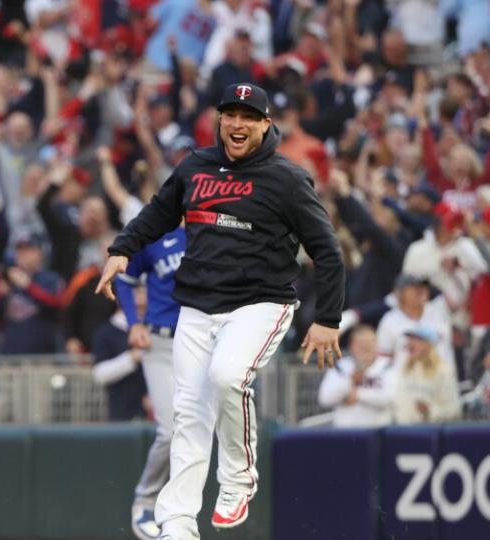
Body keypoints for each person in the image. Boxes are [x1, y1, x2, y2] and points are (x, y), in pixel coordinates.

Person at [96, 83, 345, 539]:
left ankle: (237, 482)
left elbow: (327, 251)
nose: (237, 124)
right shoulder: (196, 165)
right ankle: (177, 521)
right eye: (230, 114)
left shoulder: (287, 178)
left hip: (261, 303)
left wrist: (327, 319)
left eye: (248, 117)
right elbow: (159, 212)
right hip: (197, 305)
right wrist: (122, 249)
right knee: (187, 414)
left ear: (266, 124)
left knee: (228, 377)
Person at [113, 221, 187, 540]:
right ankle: (146, 499)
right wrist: (133, 322)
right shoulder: (159, 234)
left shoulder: (219, 230)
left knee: (202, 429)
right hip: (161, 343)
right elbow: (124, 278)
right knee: (171, 429)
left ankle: (181, 508)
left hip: (205, 342)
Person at [317, 325, 394, 428]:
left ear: (376, 344)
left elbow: (390, 398)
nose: (365, 348)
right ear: (352, 346)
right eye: (361, 344)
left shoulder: (387, 366)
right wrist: (351, 380)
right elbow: (325, 398)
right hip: (345, 433)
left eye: (369, 344)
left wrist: (358, 395)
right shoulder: (341, 367)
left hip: (377, 434)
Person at [392, 326, 461, 425]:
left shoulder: (443, 372)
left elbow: (454, 410)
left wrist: (430, 410)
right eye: (410, 339)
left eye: (417, 339)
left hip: (430, 433)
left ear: (429, 344)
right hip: (403, 432)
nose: (411, 343)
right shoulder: (404, 371)